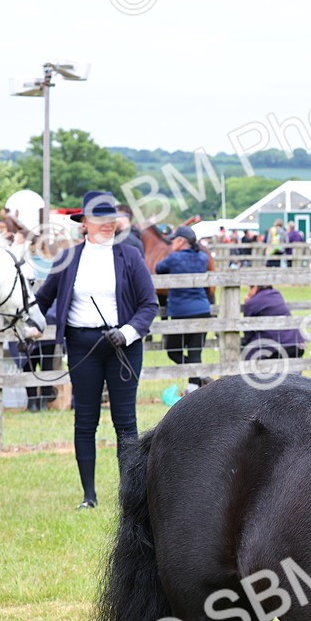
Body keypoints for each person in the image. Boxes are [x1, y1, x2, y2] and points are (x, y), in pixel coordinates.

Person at [34, 191, 158, 509]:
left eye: (110, 219)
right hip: (81, 346)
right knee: (85, 419)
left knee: (125, 421)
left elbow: (148, 304)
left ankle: (128, 496)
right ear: (84, 224)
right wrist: (30, 324)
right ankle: (89, 496)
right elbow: (44, 299)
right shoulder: (69, 258)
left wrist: (127, 332)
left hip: (122, 348)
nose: (106, 225)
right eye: (99, 219)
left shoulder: (129, 256)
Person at [155, 225, 212, 391]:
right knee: (195, 353)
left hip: (181, 312)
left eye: (174, 240)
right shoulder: (202, 257)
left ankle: (197, 380)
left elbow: (159, 269)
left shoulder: (174, 258)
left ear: (181, 241)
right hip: (202, 310)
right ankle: (195, 385)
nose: (172, 243)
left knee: (173, 350)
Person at [241, 285, 305, 360]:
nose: (248, 292)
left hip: (278, 348)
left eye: (249, 289)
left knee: (246, 355)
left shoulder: (251, 302)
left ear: (255, 287)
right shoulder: (276, 294)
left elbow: (248, 333)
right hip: (297, 343)